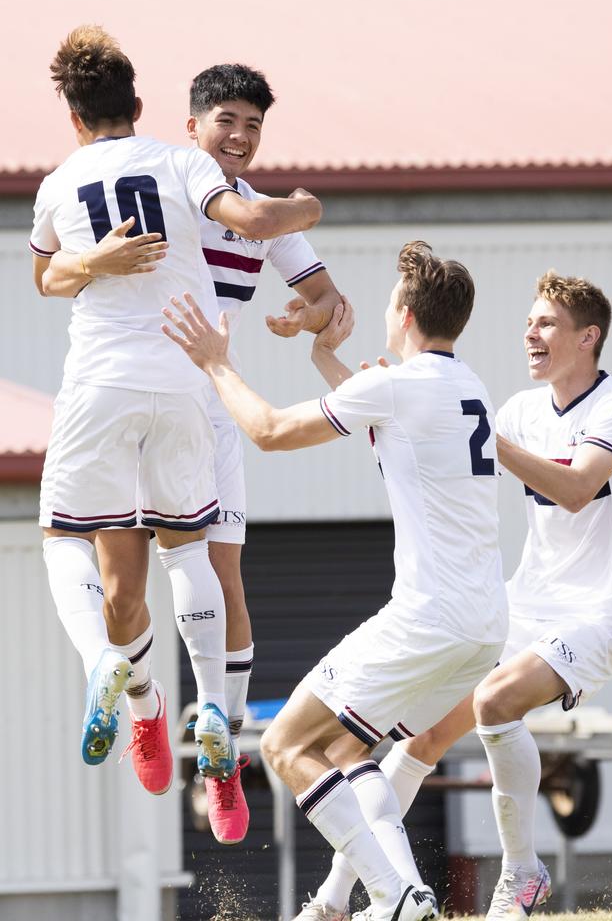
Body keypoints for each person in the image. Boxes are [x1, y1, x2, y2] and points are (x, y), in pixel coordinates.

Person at [41, 59, 342, 843]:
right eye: (226, 123)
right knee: (124, 586)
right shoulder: (184, 182)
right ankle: (149, 714)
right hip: (165, 391)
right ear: (188, 128)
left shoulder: (235, 198)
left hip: (201, 400)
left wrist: (302, 320)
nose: (239, 136)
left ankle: (221, 757)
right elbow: (61, 268)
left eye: (252, 125)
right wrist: (307, 203)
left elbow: (326, 300)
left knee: (221, 573)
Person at [162, 241, 508, 921]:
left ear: (404, 314)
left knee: (287, 745)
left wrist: (215, 362)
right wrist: (322, 354)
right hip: (482, 627)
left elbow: (267, 430)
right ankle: (348, 901)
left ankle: (395, 895)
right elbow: (384, 417)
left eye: (389, 300)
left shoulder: (397, 387)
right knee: (348, 747)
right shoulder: (468, 385)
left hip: (428, 617)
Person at [301, 270, 612, 921]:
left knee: (493, 701)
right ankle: (334, 900)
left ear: (588, 338)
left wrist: (493, 439)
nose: (530, 331)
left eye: (546, 322)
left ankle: (523, 874)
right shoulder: (516, 409)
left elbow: (576, 490)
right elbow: (419, 432)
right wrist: (356, 376)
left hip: (602, 611)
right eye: (528, 320)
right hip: (527, 602)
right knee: (421, 738)